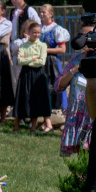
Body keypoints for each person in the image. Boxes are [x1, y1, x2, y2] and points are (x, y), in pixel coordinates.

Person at [55, 21, 94, 157]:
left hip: (92, 118)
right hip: (76, 118)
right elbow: (58, 86)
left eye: (90, 36)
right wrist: (74, 70)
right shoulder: (75, 60)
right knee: (81, 160)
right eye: (83, 37)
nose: (86, 41)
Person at [13, 21, 50, 135]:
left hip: (38, 75)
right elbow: (20, 60)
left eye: (38, 33)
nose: (37, 35)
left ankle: (33, 128)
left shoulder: (42, 45)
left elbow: (42, 61)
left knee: (35, 99)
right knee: (21, 98)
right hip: (25, 74)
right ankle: (16, 127)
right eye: (34, 32)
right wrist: (34, 59)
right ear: (29, 32)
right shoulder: (23, 45)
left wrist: (27, 60)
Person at [39, 3, 69, 125]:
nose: (41, 14)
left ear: (51, 14)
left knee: (53, 87)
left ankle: (57, 118)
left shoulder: (57, 29)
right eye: (40, 12)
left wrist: (44, 50)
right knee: (41, 88)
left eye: (43, 12)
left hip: (51, 62)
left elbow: (62, 50)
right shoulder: (39, 28)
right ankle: (44, 118)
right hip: (39, 62)